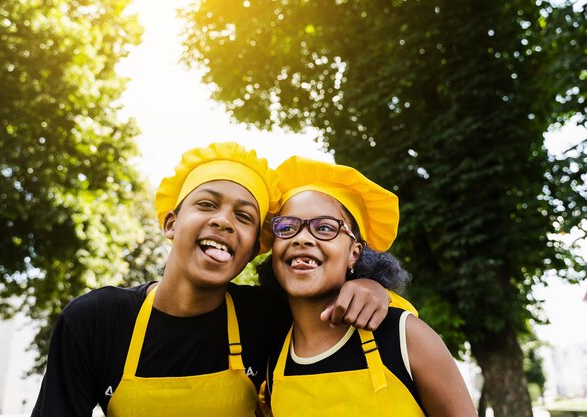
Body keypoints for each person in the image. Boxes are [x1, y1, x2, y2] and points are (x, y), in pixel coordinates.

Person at [31, 142, 398, 417]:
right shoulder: (95, 321)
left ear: (255, 247)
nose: (224, 221)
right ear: (171, 223)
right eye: (207, 204)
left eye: (244, 216)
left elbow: (325, 296)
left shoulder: (269, 317)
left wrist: (369, 284)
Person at [257, 155, 477, 417]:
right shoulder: (271, 361)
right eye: (287, 227)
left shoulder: (404, 336)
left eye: (325, 227)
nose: (302, 238)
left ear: (354, 253)